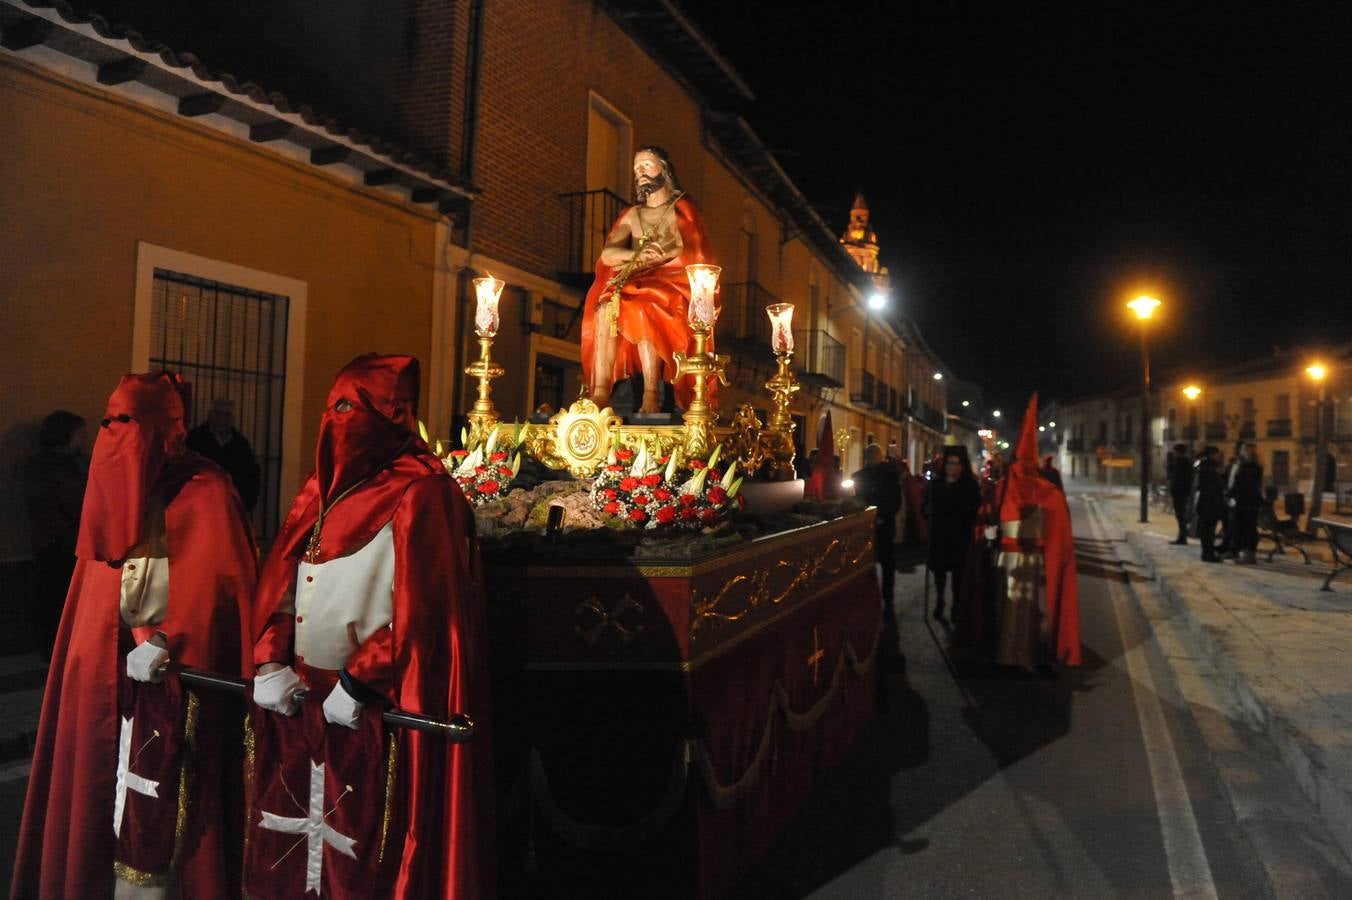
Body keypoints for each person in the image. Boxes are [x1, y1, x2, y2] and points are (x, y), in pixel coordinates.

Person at [245, 354, 493, 899]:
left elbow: (428, 613)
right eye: (333, 407)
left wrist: (360, 681)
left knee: (364, 866)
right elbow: (285, 582)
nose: (335, 421)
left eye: (349, 409)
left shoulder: (424, 492)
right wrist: (270, 659)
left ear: (389, 415)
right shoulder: (322, 488)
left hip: (375, 711)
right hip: (301, 707)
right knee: (293, 856)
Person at [13, 372, 257, 900]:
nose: (115, 433)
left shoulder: (208, 490)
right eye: (109, 421)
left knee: (167, 836)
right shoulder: (110, 481)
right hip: (108, 685)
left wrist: (170, 639)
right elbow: (93, 597)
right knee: (96, 811)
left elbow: (217, 599)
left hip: (173, 692)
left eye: (130, 422)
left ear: (167, 429)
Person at [580, 146, 718, 414]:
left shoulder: (682, 208)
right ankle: (601, 392)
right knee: (605, 308)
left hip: (671, 282)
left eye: (646, 164)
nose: (639, 172)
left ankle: (651, 394)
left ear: (664, 169)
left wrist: (653, 258)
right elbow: (608, 254)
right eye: (636, 168)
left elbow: (685, 248)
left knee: (643, 306)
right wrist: (638, 256)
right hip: (634, 279)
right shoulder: (632, 214)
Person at [992, 394, 1080, 669]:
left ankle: (1020, 654)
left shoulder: (1009, 488)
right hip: (1023, 561)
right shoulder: (1013, 489)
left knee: (1021, 606)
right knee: (1019, 606)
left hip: (1025, 561)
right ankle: (1021, 654)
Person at [20, 409, 88, 659]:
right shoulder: (43, 467)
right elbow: (49, 505)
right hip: (56, 543)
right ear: (64, 435)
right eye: (79, 434)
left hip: (72, 541)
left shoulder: (76, 462)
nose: (83, 440)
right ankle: (52, 647)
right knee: (53, 598)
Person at [926, 446, 982, 624]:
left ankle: (957, 605)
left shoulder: (970, 486)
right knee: (939, 572)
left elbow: (975, 509)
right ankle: (940, 600)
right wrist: (928, 511)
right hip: (939, 535)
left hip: (959, 536)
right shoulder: (936, 484)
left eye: (954, 463)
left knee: (958, 574)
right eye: (948, 463)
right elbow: (925, 506)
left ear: (962, 466)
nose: (950, 467)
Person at [186, 398, 262, 511]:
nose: (222, 419)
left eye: (227, 415)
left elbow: (253, 474)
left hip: (232, 508)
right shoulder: (195, 439)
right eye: (218, 414)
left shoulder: (241, 444)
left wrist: (247, 501)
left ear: (232, 419)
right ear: (210, 415)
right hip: (201, 507)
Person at [852, 444, 902, 610]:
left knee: (887, 563)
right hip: (865, 528)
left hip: (885, 525)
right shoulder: (859, 476)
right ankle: (867, 599)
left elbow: (895, 501)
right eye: (870, 455)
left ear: (881, 457)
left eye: (875, 455)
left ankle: (888, 600)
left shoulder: (890, 476)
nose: (872, 458)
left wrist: (882, 516)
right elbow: (857, 501)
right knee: (864, 564)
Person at [1228, 441, 1264, 565]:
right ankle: (1247, 554)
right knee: (1245, 527)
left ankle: (1249, 555)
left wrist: (1230, 493)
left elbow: (1242, 484)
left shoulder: (1250, 467)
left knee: (1247, 528)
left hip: (1246, 502)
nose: (1242, 452)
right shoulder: (1250, 466)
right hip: (1247, 501)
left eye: (1245, 450)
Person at [1194, 445, 1225, 563]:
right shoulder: (1209, 467)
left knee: (1206, 530)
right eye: (1217, 454)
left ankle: (1207, 553)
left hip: (1206, 503)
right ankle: (1208, 554)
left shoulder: (1204, 466)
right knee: (1208, 530)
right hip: (1210, 504)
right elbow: (1212, 487)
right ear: (1212, 455)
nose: (1218, 456)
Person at [1167, 442, 1192, 545]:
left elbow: (1176, 477)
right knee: (1180, 515)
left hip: (1180, 492)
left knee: (1181, 515)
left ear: (1178, 452)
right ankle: (1182, 536)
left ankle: (1182, 537)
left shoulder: (1181, 463)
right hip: (1181, 492)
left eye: (1175, 451)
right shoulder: (1183, 462)